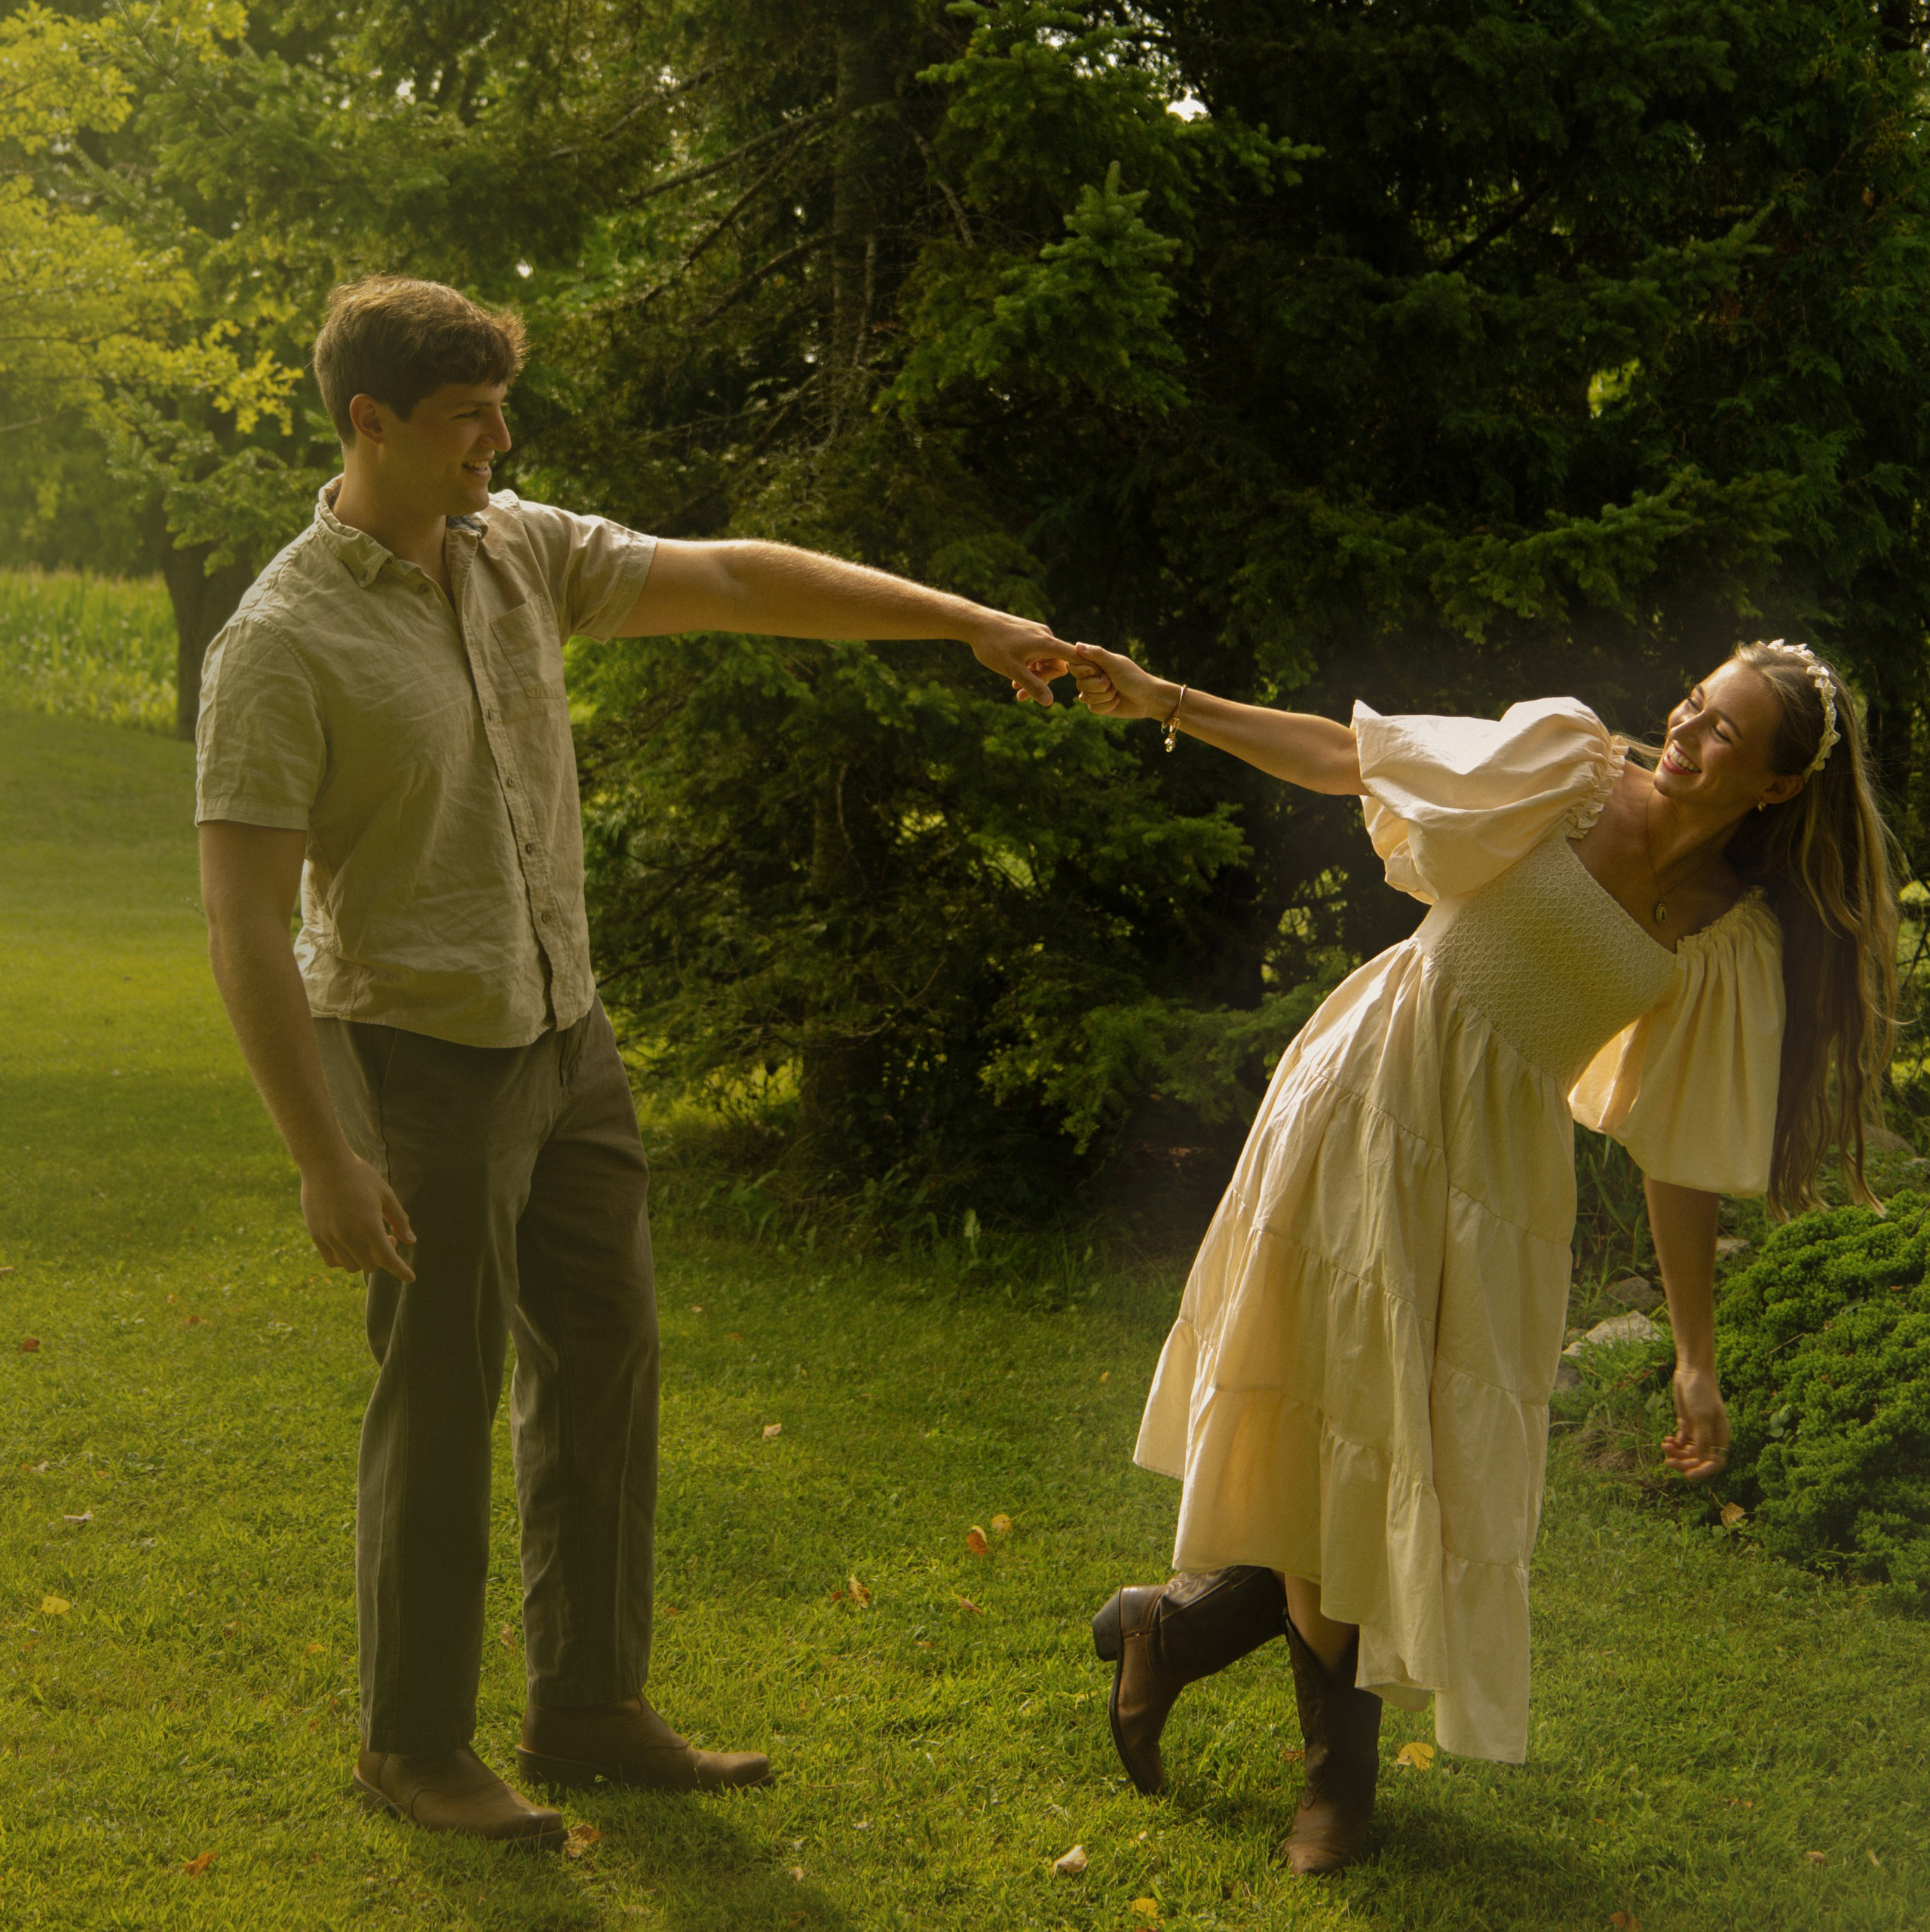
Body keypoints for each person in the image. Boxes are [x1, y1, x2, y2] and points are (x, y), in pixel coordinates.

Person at [194, 276, 1071, 1847]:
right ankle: (412, 1742)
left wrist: (958, 620)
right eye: (469, 421)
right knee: (437, 1395)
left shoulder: (515, 549)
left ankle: (590, 1705)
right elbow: (246, 926)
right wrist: (326, 1153)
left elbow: (735, 577)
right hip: (413, 1058)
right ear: (369, 425)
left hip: (567, 1040)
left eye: (499, 416)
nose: (498, 443)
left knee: (602, 1365)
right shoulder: (279, 643)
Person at [1059, 636, 1896, 1874]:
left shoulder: (1728, 937)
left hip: (1500, 1171)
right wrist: (1168, 699)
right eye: (1697, 701)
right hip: (1375, 1091)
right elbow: (1356, 759)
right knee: (1352, 1422)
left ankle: (1168, 1632)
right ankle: (1336, 1789)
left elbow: (1670, 1152)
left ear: (1774, 785)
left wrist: (1695, 1355)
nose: (1687, 726)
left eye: (1724, 729)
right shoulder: (1565, 765)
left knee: (1413, 1460)